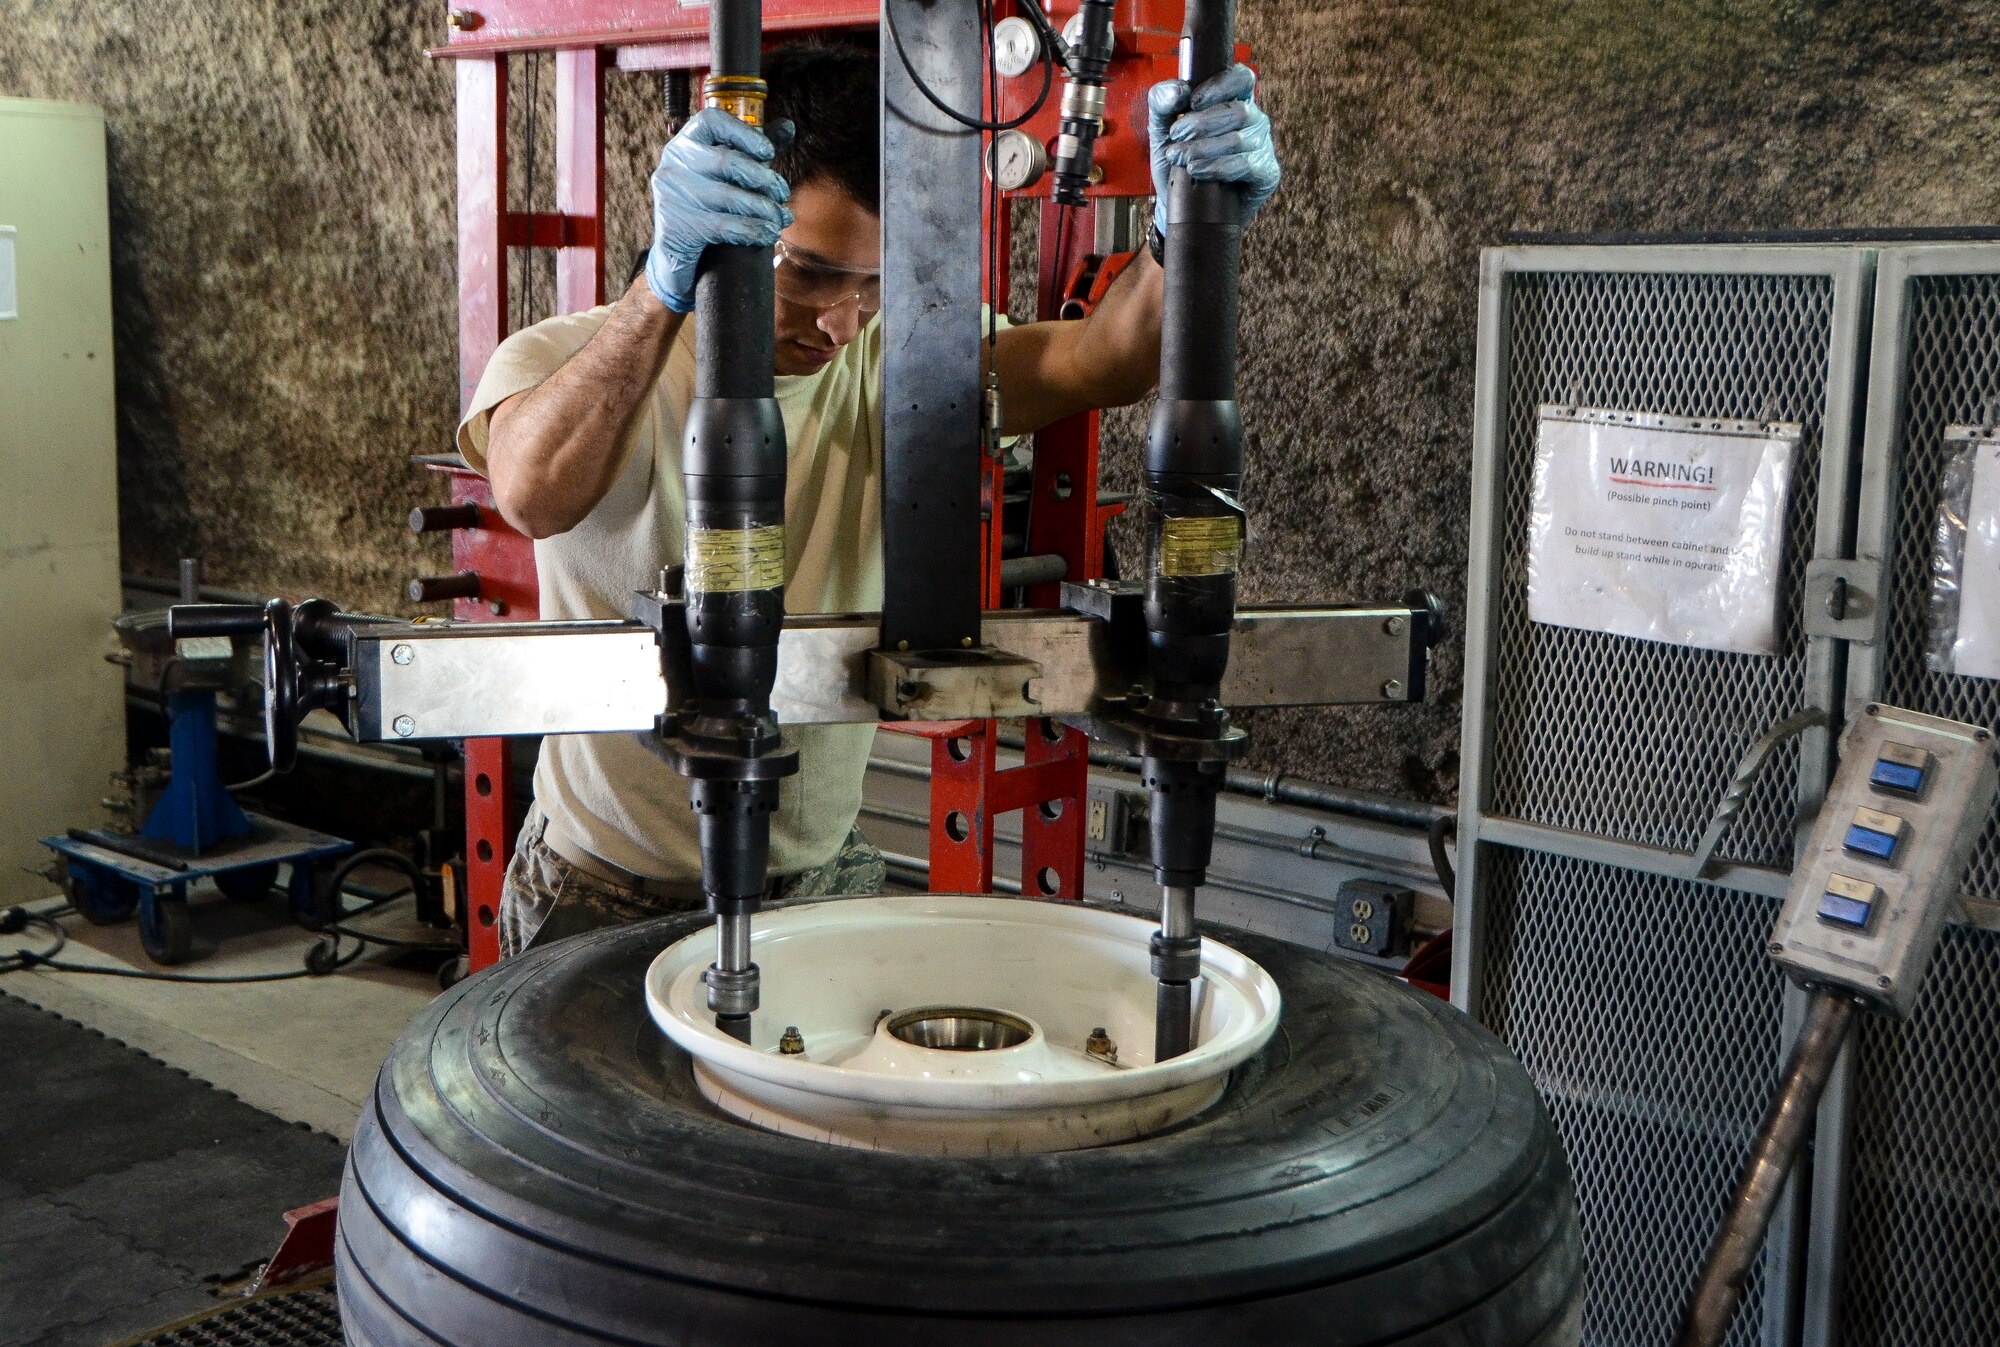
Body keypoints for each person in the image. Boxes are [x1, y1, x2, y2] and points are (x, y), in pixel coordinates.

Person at [457, 42, 1282, 955]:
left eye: (871, 282)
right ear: (730, 220)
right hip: (606, 887)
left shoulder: (898, 361)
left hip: (824, 880)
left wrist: (1187, 233)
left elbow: (1106, 359)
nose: (843, 323)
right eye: (807, 272)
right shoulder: (570, 359)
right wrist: (665, 284)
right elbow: (531, 492)